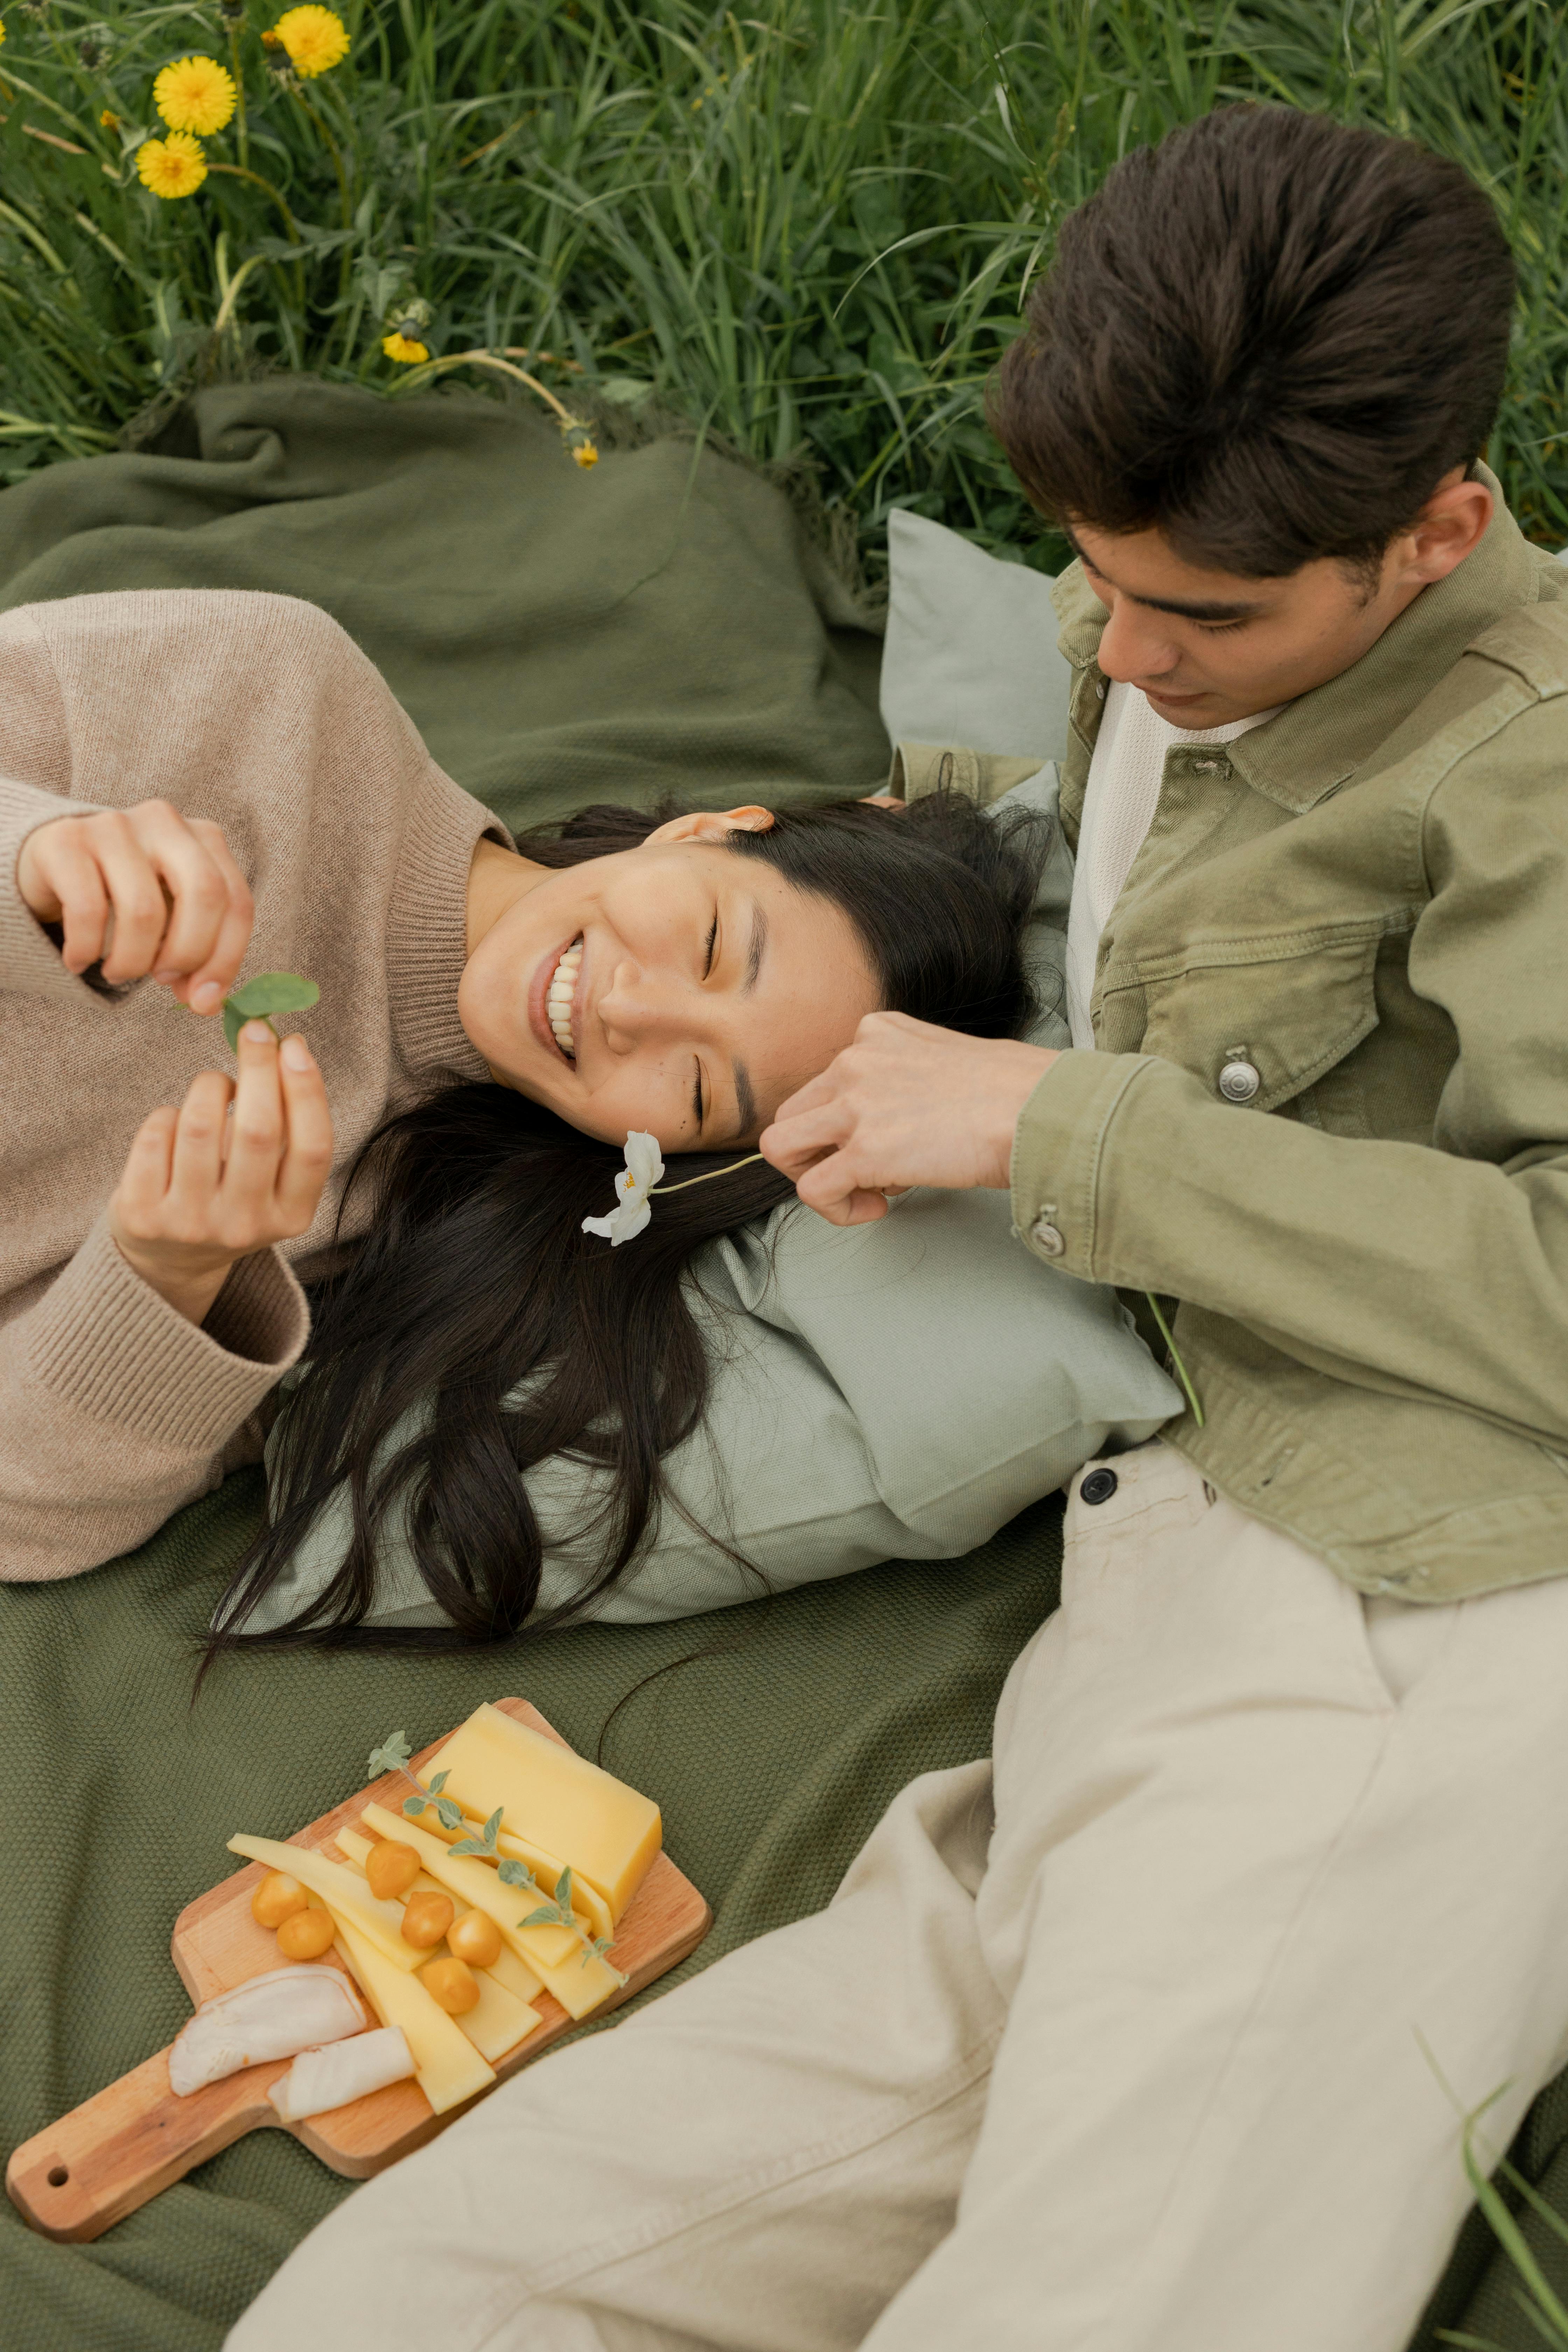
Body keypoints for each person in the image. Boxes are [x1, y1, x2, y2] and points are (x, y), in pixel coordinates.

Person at [225, 103, 1568, 2352]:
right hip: (1148, 1619)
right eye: (1096, 577)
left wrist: (1063, 1128)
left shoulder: (1524, 771)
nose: (1124, 647)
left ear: (1436, 530)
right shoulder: (1162, 638)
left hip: (1432, 1619)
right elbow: (1104, 856)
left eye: (1200, 616)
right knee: (411, 2304)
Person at [0, 586, 1043, 1628]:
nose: (629, 1008)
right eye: (714, 944)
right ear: (714, 829)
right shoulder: (275, 693)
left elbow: (25, 1518)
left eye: (694, 1085)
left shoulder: (394, 1244)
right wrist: (29, 860)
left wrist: (161, 1277)